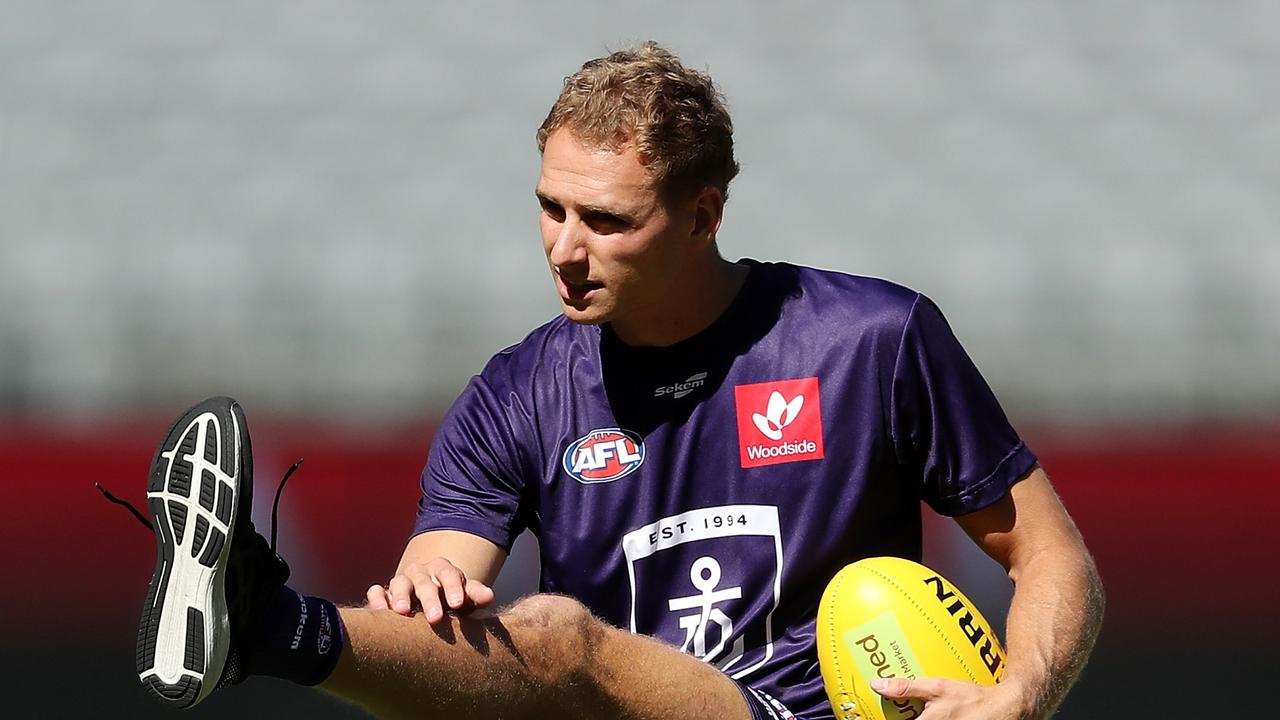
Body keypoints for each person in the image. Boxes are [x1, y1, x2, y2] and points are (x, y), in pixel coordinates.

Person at [128, 43, 1103, 720]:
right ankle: (249, 627)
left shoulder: (870, 342)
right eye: (548, 208)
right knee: (529, 643)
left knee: (556, 632)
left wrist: (1016, 694)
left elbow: (1050, 557)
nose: (563, 248)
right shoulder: (516, 393)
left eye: (605, 220)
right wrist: (427, 586)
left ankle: (260, 627)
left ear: (703, 213)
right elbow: (444, 584)